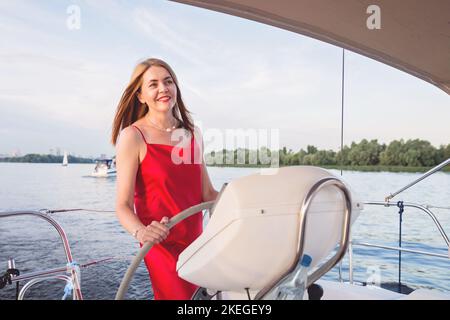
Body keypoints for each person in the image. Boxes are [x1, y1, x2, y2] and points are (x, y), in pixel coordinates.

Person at [111, 58, 219, 299]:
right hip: (159, 243)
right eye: (153, 84)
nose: (163, 88)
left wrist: (247, 197)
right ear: (140, 96)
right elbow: (123, 205)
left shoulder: (192, 133)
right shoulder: (133, 136)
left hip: (196, 242)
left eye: (168, 81)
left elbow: (207, 194)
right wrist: (141, 232)